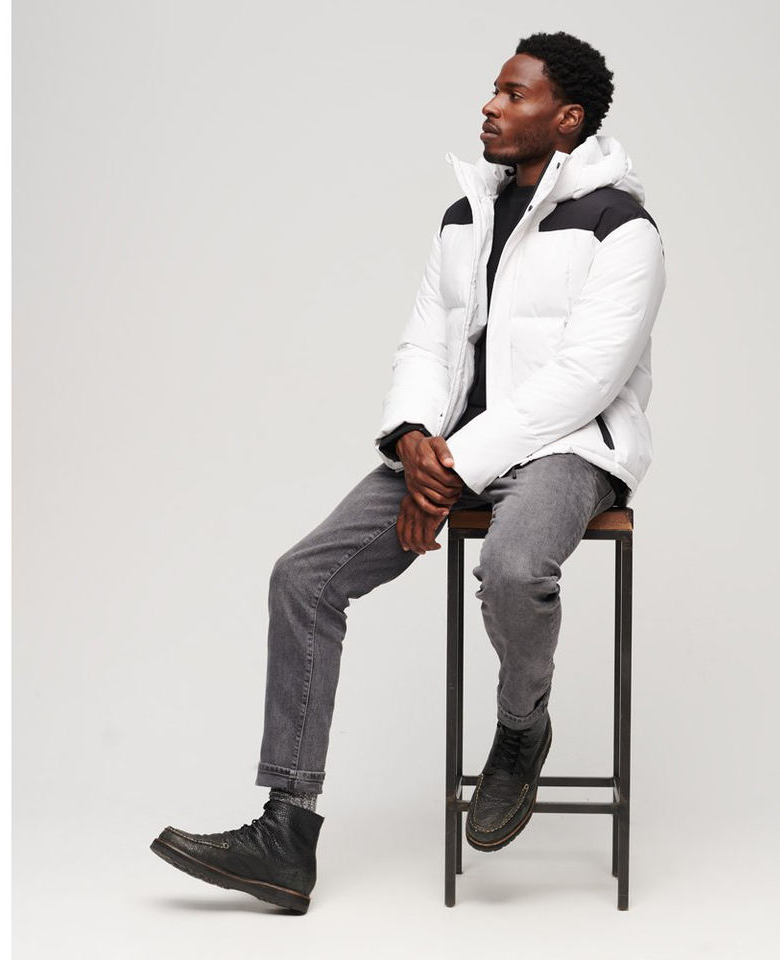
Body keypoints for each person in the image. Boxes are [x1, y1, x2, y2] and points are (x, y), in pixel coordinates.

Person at [151, 30, 666, 914]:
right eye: (493, 90)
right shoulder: (465, 216)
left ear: (567, 118)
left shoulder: (622, 228)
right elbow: (426, 343)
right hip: (448, 454)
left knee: (513, 566)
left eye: (514, 94)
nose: (490, 106)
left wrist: (452, 467)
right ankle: (287, 831)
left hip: (569, 451)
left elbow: (585, 379)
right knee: (303, 578)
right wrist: (414, 438)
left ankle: (521, 729)